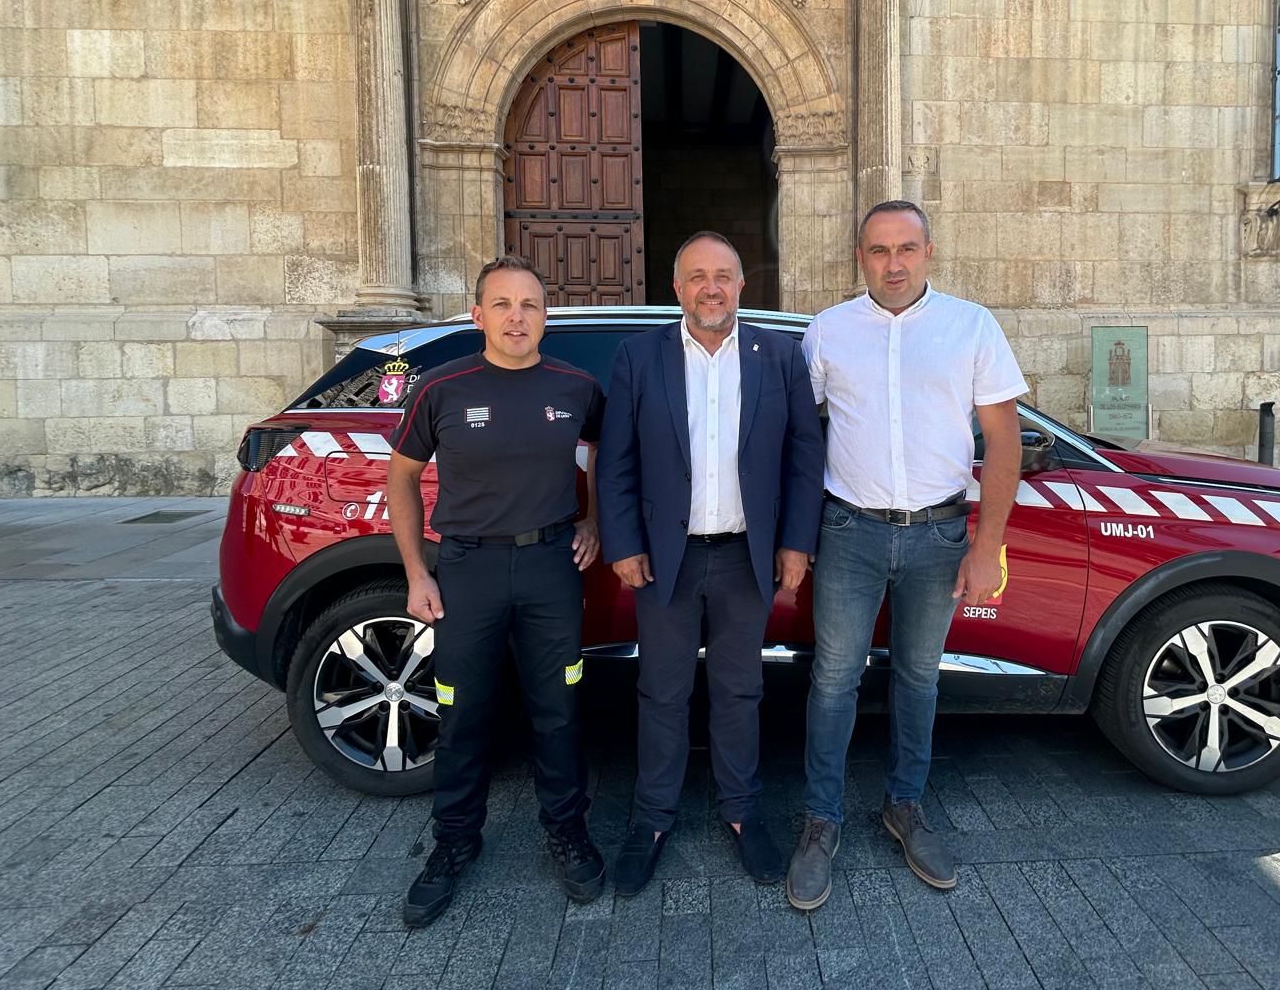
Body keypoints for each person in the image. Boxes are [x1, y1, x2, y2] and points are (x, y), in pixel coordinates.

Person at [785, 201, 1028, 911]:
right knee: (833, 680)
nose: (893, 264)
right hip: (850, 533)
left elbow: (1004, 442)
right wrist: (796, 537)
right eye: (878, 251)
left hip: (939, 536)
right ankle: (820, 821)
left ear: (929, 251)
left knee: (919, 679)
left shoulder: (971, 326)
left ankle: (904, 805)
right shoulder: (829, 331)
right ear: (860, 257)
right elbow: (801, 440)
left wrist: (987, 548)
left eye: (906, 249)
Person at [597, 231, 825, 894]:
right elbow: (616, 462)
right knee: (661, 692)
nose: (711, 288)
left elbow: (804, 458)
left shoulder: (778, 357)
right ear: (676, 288)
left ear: (741, 284)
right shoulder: (639, 356)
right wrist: (624, 543)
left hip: (744, 559)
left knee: (739, 691)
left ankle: (742, 812)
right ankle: (652, 819)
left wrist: (795, 543)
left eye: (722, 274)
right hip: (664, 561)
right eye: (696, 276)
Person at [386, 255, 608, 927]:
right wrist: (416, 572)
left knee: (559, 710)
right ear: (478, 315)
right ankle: (454, 842)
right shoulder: (441, 387)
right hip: (467, 571)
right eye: (503, 304)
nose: (517, 316)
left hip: (549, 568)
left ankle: (566, 832)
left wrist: (593, 516)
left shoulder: (576, 386)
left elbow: (603, 452)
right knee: (462, 713)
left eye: (530, 305)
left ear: (546, 317)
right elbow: (399, 479)